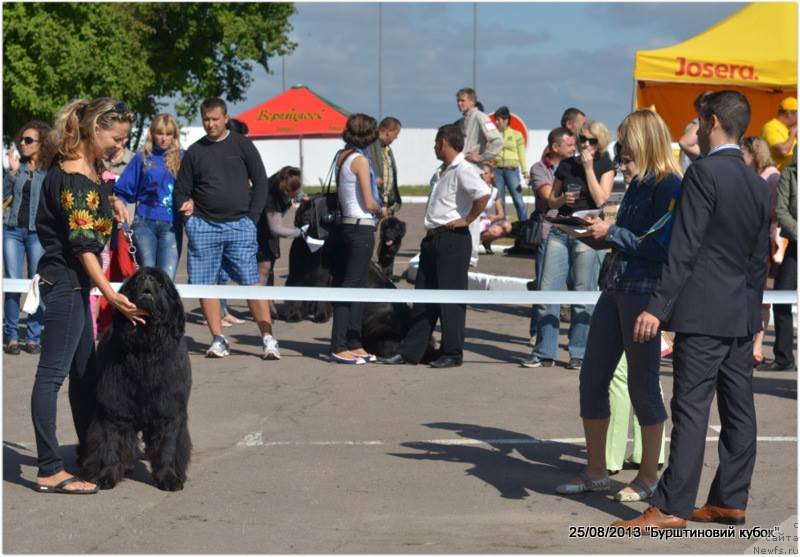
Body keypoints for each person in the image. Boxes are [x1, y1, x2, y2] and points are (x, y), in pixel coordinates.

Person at [615, 90, 771, 530]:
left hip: (702, 315)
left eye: (700, 121)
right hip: (739, 315)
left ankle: (671, 506)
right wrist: (753, 315)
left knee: (691, 409)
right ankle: (729, 500)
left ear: (715, 121)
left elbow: (683, 248)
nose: (696, 128)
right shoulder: (757, 184)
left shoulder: (703, 174)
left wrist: (657, 307)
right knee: (740, 411)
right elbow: (759, 261)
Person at [553, 109, 681, 502]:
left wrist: (612, 232)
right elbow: (627, 239)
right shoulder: (640, 185)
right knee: (592, 377)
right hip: (615, 286)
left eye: (627, 148)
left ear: (646, 143)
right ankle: (595, 471)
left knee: (643, 384)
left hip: (644, 291)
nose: (622, 155)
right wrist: (591, 232)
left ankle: (647, 476)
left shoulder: (669, 185)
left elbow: (662, 246)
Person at [32, 97, 145, 494]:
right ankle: (48, 468)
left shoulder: (90, 171)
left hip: (76, 283)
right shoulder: (76, 177)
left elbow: (87, 229)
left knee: (85, 376)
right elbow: (83, 248)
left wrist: (111, 203)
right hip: (67, 282)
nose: (118, 146)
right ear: (95, 129)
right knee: (52, 377)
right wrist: (110, 296)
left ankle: (91, 456)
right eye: (116, 138)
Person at [173, 98, 277, 360]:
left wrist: (251, 219)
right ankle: (218, 339)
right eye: (206, 119)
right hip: (204, 227)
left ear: (226, 117)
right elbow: (181, 190)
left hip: (240, 225)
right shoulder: (195, 152)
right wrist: (189, 218)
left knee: (250, 283)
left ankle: (268, 338)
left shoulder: (242, 145)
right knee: (206, 286)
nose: (210, 124)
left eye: (215, 119)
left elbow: (262, 183)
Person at [379, 124, 490, 369]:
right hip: (433, 239)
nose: (433, 148)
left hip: (453, 238)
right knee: (424, 297)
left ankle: (452, 352)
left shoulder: (464, 169)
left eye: (435, 143)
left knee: (450, 300)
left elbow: (483, 194)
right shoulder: (441, 171)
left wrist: (468, 219)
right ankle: (412, 352)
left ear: (444, 143)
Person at [521, 121, 615, 369]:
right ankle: (544, 352)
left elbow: (601, 198)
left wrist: (587, 168)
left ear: (601, 142)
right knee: (547, 290)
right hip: (561, 229)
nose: (585, 144)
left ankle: (579, 353)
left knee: (583, 293)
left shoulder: (605, 164)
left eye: (591, 141)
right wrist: (563, 198)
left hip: (588, 231)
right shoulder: (565, 165)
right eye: (582, 139)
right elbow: (551, 200)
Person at [328, 114, 381, 364]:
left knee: (358, 287)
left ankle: (353, 341)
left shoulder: (343, 156)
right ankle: (339, 344)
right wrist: (382, 210)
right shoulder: (360, 160)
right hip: (361, 226)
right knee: (351, 286)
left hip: (348, 226)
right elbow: (369, 201)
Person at [3, 121, 55, 355]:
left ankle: (33, 336)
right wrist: (12, 174)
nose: (22, 144)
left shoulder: (50, 170)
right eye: (21, 140)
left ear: (41, 143)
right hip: (12, 230)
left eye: (28, 140)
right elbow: (4, 194)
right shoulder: (17, 168)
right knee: (12, 282)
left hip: (37, 233)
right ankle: (12, 336)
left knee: (37, 283)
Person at [113, 113, 185, 281]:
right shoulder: (142, 158)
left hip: (172, 225)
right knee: (146, 278)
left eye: (169, 134)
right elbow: (122, 191)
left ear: (174, 135)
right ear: (152, 133)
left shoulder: (183, 158)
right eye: (160, 133)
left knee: (167, 280)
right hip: (144, 223)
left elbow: (195, 188)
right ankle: (144, 308)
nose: (163, 138)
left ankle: (164, 309)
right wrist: (119, 205)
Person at [526, 128, 576, 342]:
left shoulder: (577, 168)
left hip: (574, 232)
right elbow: (548, 195)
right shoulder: (539, 169)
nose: (574, 148)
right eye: (569, 145)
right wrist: (569, 195)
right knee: (544, 287)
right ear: (555, 147)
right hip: (549, 234)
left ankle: (573, 338)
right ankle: (538, 333)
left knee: (575, 286)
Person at [739, 136, 780, 366]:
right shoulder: (749, 175)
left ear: (754, 153)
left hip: (765, 240)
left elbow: (773, 209)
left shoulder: (770, 176)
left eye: (743, 151)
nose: (740, 155)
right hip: (750, 239)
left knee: (761, 293)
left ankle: (757, 345)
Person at [456, 88, 503, 267]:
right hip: (463, 168)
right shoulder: (463, 121)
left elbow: (497, 140)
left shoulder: (480, 117)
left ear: (472, 101)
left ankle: (472, 255)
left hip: (474, 170)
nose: (460, 104)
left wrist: (482, 157)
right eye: (458, 100)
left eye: (463, 100)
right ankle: (465, 251)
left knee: (474, 215)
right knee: (463, 210)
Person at [760, 152, 797, 372]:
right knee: (782, 294)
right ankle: (784, 358)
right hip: (795, 243)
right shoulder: (788, 175)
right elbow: (781, 211)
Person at [493, 106, 528, 222]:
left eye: (498, 120)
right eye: (495, 120)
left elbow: (522, 154)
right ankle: (502, 227)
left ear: (506, 120)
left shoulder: (517, 135)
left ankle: (524, 225)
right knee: (499, 201)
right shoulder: (493, 135)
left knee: (518, 200)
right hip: (497, 170)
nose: (496, 122)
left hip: (512, 170)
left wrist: (525, 171)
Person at [366, 116, 402, 218]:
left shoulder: (387, 149)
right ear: (388, 132)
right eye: (396, 134)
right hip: (375, 206)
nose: (396, 138)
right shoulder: (369, 146)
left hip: (385, 207)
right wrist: (381, 205)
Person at [477, 162, 512, 253]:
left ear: (492, 175)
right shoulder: (474, 188)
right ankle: (472, 242)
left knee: (507, 226)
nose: (483, 176)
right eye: (481, 174)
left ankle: (486, 241)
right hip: (473, 220)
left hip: (484, 222)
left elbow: (501, 214)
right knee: (494, 229)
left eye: (486, 173)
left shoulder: (495, 191)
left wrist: (494, 217)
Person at [761, 96, 797, 171]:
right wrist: (793, 134)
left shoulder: (789, 128)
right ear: (788, 113)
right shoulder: (770, 127)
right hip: (777, 178)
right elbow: (783, 151)